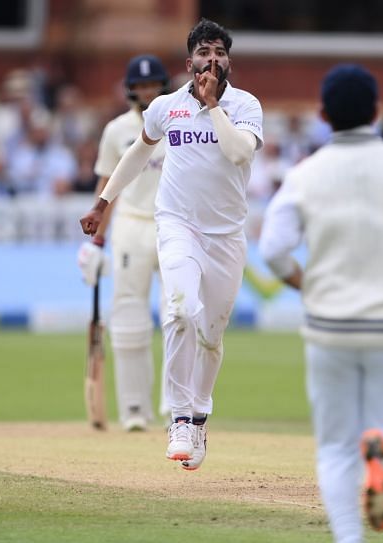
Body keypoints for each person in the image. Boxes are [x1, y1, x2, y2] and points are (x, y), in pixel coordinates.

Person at [259, 65, 383, 541]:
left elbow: (272, 249)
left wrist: (307, 285)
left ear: (324, 115)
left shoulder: (305, 174)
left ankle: (349, 538)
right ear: (376, 111)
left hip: (330, 326)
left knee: (335, 449)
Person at [80, 19, 263, 471]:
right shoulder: (165, 107)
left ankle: (200, 415)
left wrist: (213, 105)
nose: (212, 59)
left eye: (219, 52)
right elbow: (139, 152)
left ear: (229, 62)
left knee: (211, 335)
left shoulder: (244, 106)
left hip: (225, 235)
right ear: (189, 62)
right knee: (180, 310)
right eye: (204, 52)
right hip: (177, 225)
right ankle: (179, 418)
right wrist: (103, 203)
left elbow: (240, 153)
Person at [76, 54, 171, 431]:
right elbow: (106, 186)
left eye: (153, 84)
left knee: (177, 316)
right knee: (130, 317)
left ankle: (176, 411)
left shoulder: (178, 121)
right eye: (141, 85)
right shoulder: (117, 130)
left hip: (172, 224)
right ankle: (134, 409)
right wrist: (97, 241)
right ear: (131, 89)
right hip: (131, 225)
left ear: (162, 85)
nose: (147, 91)